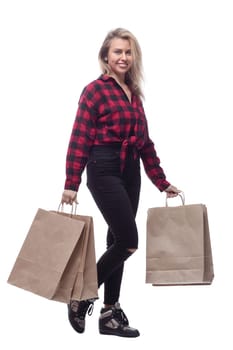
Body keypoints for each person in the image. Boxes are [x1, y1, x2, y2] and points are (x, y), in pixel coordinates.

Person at [61, 27, 181, 338]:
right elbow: (80, 137)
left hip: (131, 170)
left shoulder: (134, 94)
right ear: (105, 56)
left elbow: (144, 143)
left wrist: (161, 182)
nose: (124, 57)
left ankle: (109, 314)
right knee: (129, 241)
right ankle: (80, 294)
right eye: (117, 51)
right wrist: (71, 183)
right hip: (103, 168)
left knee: (117, 242)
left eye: (128, 52)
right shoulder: (95, 91)